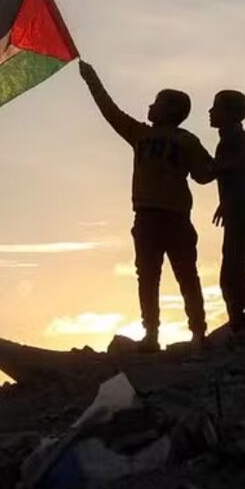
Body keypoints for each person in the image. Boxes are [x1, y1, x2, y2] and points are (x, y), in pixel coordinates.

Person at [78, 60, 215, 352]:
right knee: (161, 275)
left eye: (156, 103)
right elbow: (204, 175)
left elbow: (204, 174)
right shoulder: (151, 136)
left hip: (169, 217)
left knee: (173, 275)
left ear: (171, 111)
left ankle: (191, 332)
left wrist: (223, 164)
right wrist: (92, 79)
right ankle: (162, 333)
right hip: (153, 216)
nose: (150, 107)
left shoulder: (168, 138)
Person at [208, 89, 245, 335]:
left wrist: (204, 165)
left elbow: (233, 170)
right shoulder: (228, 139)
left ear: (232, 114)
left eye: (216, 107)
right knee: (232, 275)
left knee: (233, 275)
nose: (210, 112)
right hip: (240, 214)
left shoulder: (236, 140)